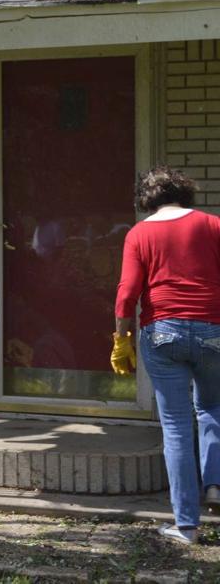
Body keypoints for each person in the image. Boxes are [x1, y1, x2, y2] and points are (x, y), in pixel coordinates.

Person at [114, 166, 220, 545]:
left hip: (162, 332)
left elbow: (128, 291)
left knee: (175, 426)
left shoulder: (140, 233)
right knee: (213, 408)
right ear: (185, 193)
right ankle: (216, 484)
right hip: (213, 331)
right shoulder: (213, 225)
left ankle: (186, 526)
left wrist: (121, 338)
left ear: (147, 199)